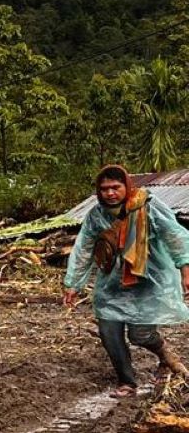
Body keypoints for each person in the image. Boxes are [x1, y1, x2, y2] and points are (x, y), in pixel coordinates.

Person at [62, 165, 189, 398]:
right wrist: (73, 284)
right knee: (109, 331)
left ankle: (165, 356)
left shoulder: (148, 206)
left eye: (115, 187)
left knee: (140, 335)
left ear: (126, 186)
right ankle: (127, 382)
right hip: (112, 283)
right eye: (104, 189)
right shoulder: (96, 215)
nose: (110, 193)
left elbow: (175, 235)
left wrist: (185, 268)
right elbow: (84, 249)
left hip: (148, 281)